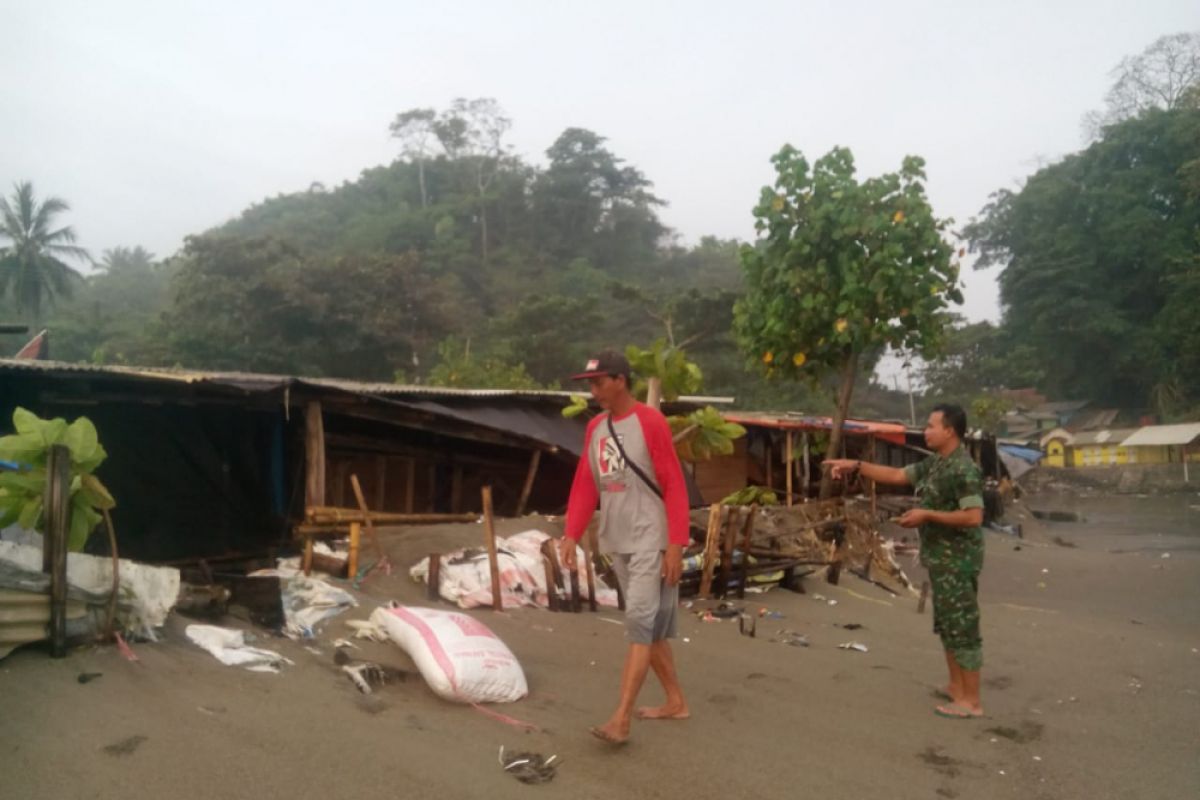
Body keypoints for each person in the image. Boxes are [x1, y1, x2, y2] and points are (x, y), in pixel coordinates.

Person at [560, 349, 691, 743]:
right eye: (590, 385)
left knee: (638, 622)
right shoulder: (596, 428)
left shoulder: (650, 422)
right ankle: (676, 701)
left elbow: (673, 482)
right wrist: (571, 532)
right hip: (618, 539)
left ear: (620, 380)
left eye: (599, 383)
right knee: (649, 628)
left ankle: (620, 719)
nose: (594, 391)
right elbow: (586, 482)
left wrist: (676, 544)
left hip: (652, 537)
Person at [826, 403, 987, 718]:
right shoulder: (937, 464)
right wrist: (856, 465)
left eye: (930, 426)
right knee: (947, 624)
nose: (925, 431)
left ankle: (972, 701)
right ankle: (956, 686)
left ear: (949, 430)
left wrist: (927, 514)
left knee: (962, 626)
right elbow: (897, 474)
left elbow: (973, 517)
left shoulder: (963, 469)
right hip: (941, 559)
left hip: (959, 561)